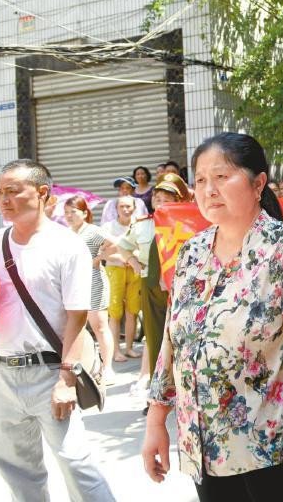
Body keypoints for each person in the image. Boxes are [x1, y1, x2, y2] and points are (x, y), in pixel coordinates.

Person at [142, 133, 283, 502]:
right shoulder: (191, 253)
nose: (209, 189)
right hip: (204, 449)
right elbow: (173, 340)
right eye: (201, 179)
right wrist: (156, 421)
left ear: (258, 184)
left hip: (273, 449)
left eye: (221, 176)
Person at [0, 159, 114, 501]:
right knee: (16, 468)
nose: (4, 199)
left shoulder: (67, 245)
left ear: (42, 193)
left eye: (13, 191)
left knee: (76, 464)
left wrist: (66, 380)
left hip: (49, 371)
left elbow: (77, 318)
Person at [114, 172, 190, 413]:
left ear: (178, 201)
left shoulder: (188, 223)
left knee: (185, 341)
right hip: (151, 287)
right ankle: (158, 397)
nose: (161, 202)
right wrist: (134, 264)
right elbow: (123, 247)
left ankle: (187, 394)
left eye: (167, 198)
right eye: (158, 198)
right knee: (156, 340)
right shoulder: (143, 224)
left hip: (184, 288)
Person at [63, 195, 117, 385]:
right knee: (76, 327)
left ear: (85, 213)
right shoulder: (66, 233)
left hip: (94, 282)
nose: (69, 216)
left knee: (99, 326)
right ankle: (84, 364)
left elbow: (116, 244)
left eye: (73, 212)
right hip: (73, 283)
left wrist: (99, 258)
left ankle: (107, 368)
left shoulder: (93, 231)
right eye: (66, 212)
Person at [102, 196, 142, 363]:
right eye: (122, 206)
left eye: (129, 206)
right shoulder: (108, 227)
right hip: (115, 270)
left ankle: (130, 348)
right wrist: (123, 256)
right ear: (116, 208)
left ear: (134, 208)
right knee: (115, 312)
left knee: (133, 311)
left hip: (135, 270)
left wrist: (129, 256)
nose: (125, 210)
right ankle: (116, 351)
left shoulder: (140, 225)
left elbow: (143, 248)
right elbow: (103, 252)